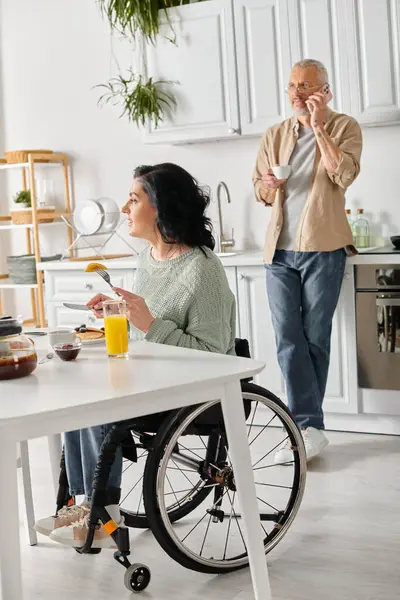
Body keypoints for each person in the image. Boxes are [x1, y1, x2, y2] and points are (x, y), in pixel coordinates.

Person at [35, 163, 236, 548]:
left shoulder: (203, 270)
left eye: (133, 199)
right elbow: (146, 326)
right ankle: (83, 503)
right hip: (152, 375)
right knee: (77, 392)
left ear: (161, 207)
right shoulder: (148, 259)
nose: (126, 209)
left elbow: (215, 356)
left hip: (192, 389)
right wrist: (116, 311)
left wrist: (148, 323)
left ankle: (102, 513)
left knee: (99, 403)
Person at [253, 59, 362, 463]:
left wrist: (318, 126)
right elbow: (259, 191)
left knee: (315, 336)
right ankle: (307, 426)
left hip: (324, 246)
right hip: (278, 250)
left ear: (324, 90)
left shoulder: (344, 127)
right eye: (292, 85)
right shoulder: (274, 134)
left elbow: (343, 174)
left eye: (306, 85)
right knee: (287, 336)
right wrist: (268, 186)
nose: (297, 92)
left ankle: (306, 427)